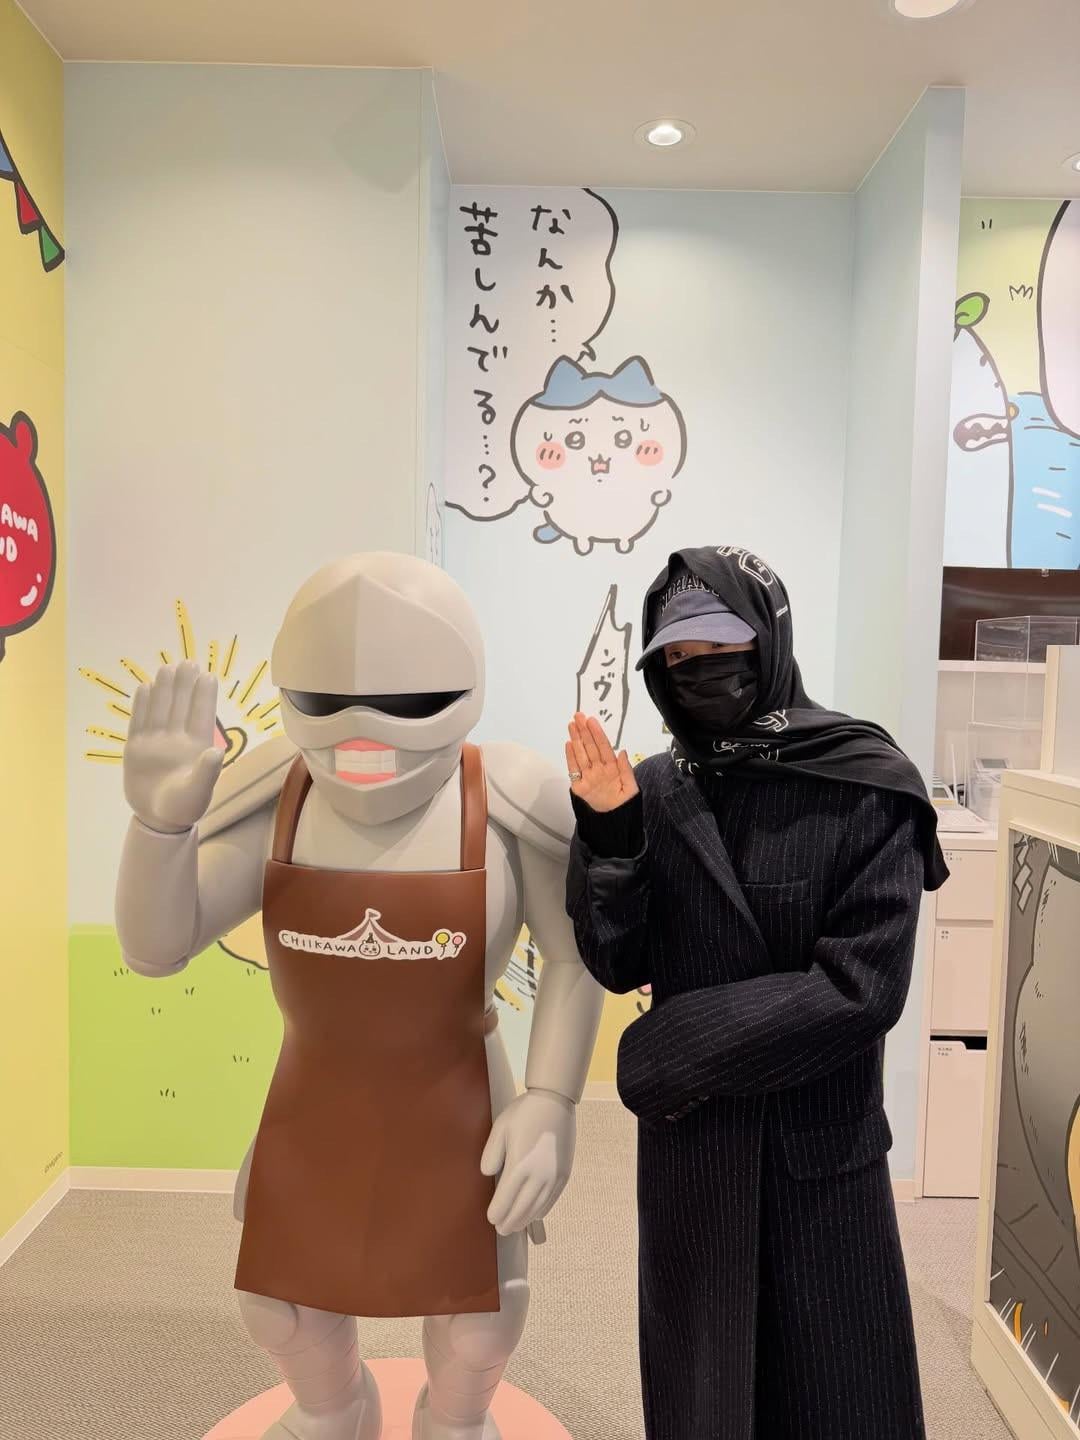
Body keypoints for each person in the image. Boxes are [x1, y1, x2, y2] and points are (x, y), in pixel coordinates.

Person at [564, 545, 948, 1440]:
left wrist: (675, 1044)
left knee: (838, 1393)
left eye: (719, 648)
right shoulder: (651, 791)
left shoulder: (863, 784)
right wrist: (611, 838)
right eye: (677, 657)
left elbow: (863, 987)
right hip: (696, 1157)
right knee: (705, 1394)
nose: (698, 672)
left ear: (768, 639)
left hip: (820, 1148)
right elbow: (617, 961)